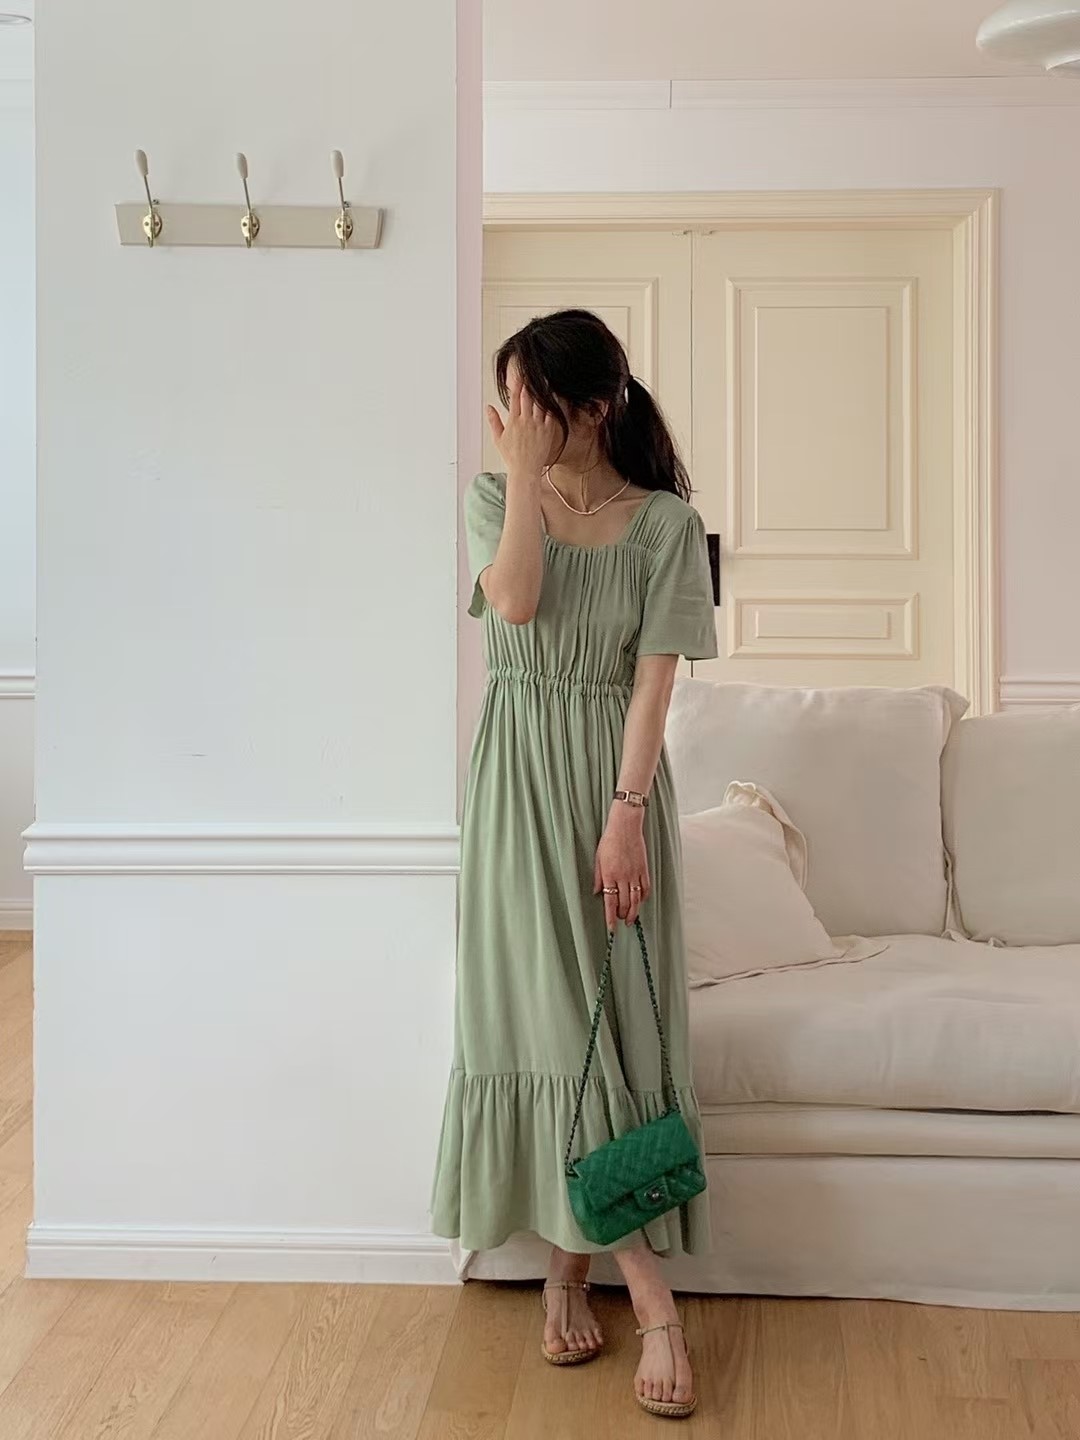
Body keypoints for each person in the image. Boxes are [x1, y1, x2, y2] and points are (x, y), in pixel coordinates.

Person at [431, 308, 717, 1419]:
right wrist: (519, 471)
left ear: (594, 407)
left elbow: (654, 684)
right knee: (548, 1023)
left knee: (610, 1023)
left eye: (531, 399)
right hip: (516, 790)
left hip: (614, 790)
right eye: (505, 397)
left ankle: (570, 1264)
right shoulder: (494, 500)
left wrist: (626, 816)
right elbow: (514, 602)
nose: (512, 417)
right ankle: (647, 1295)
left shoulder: (666, 525)